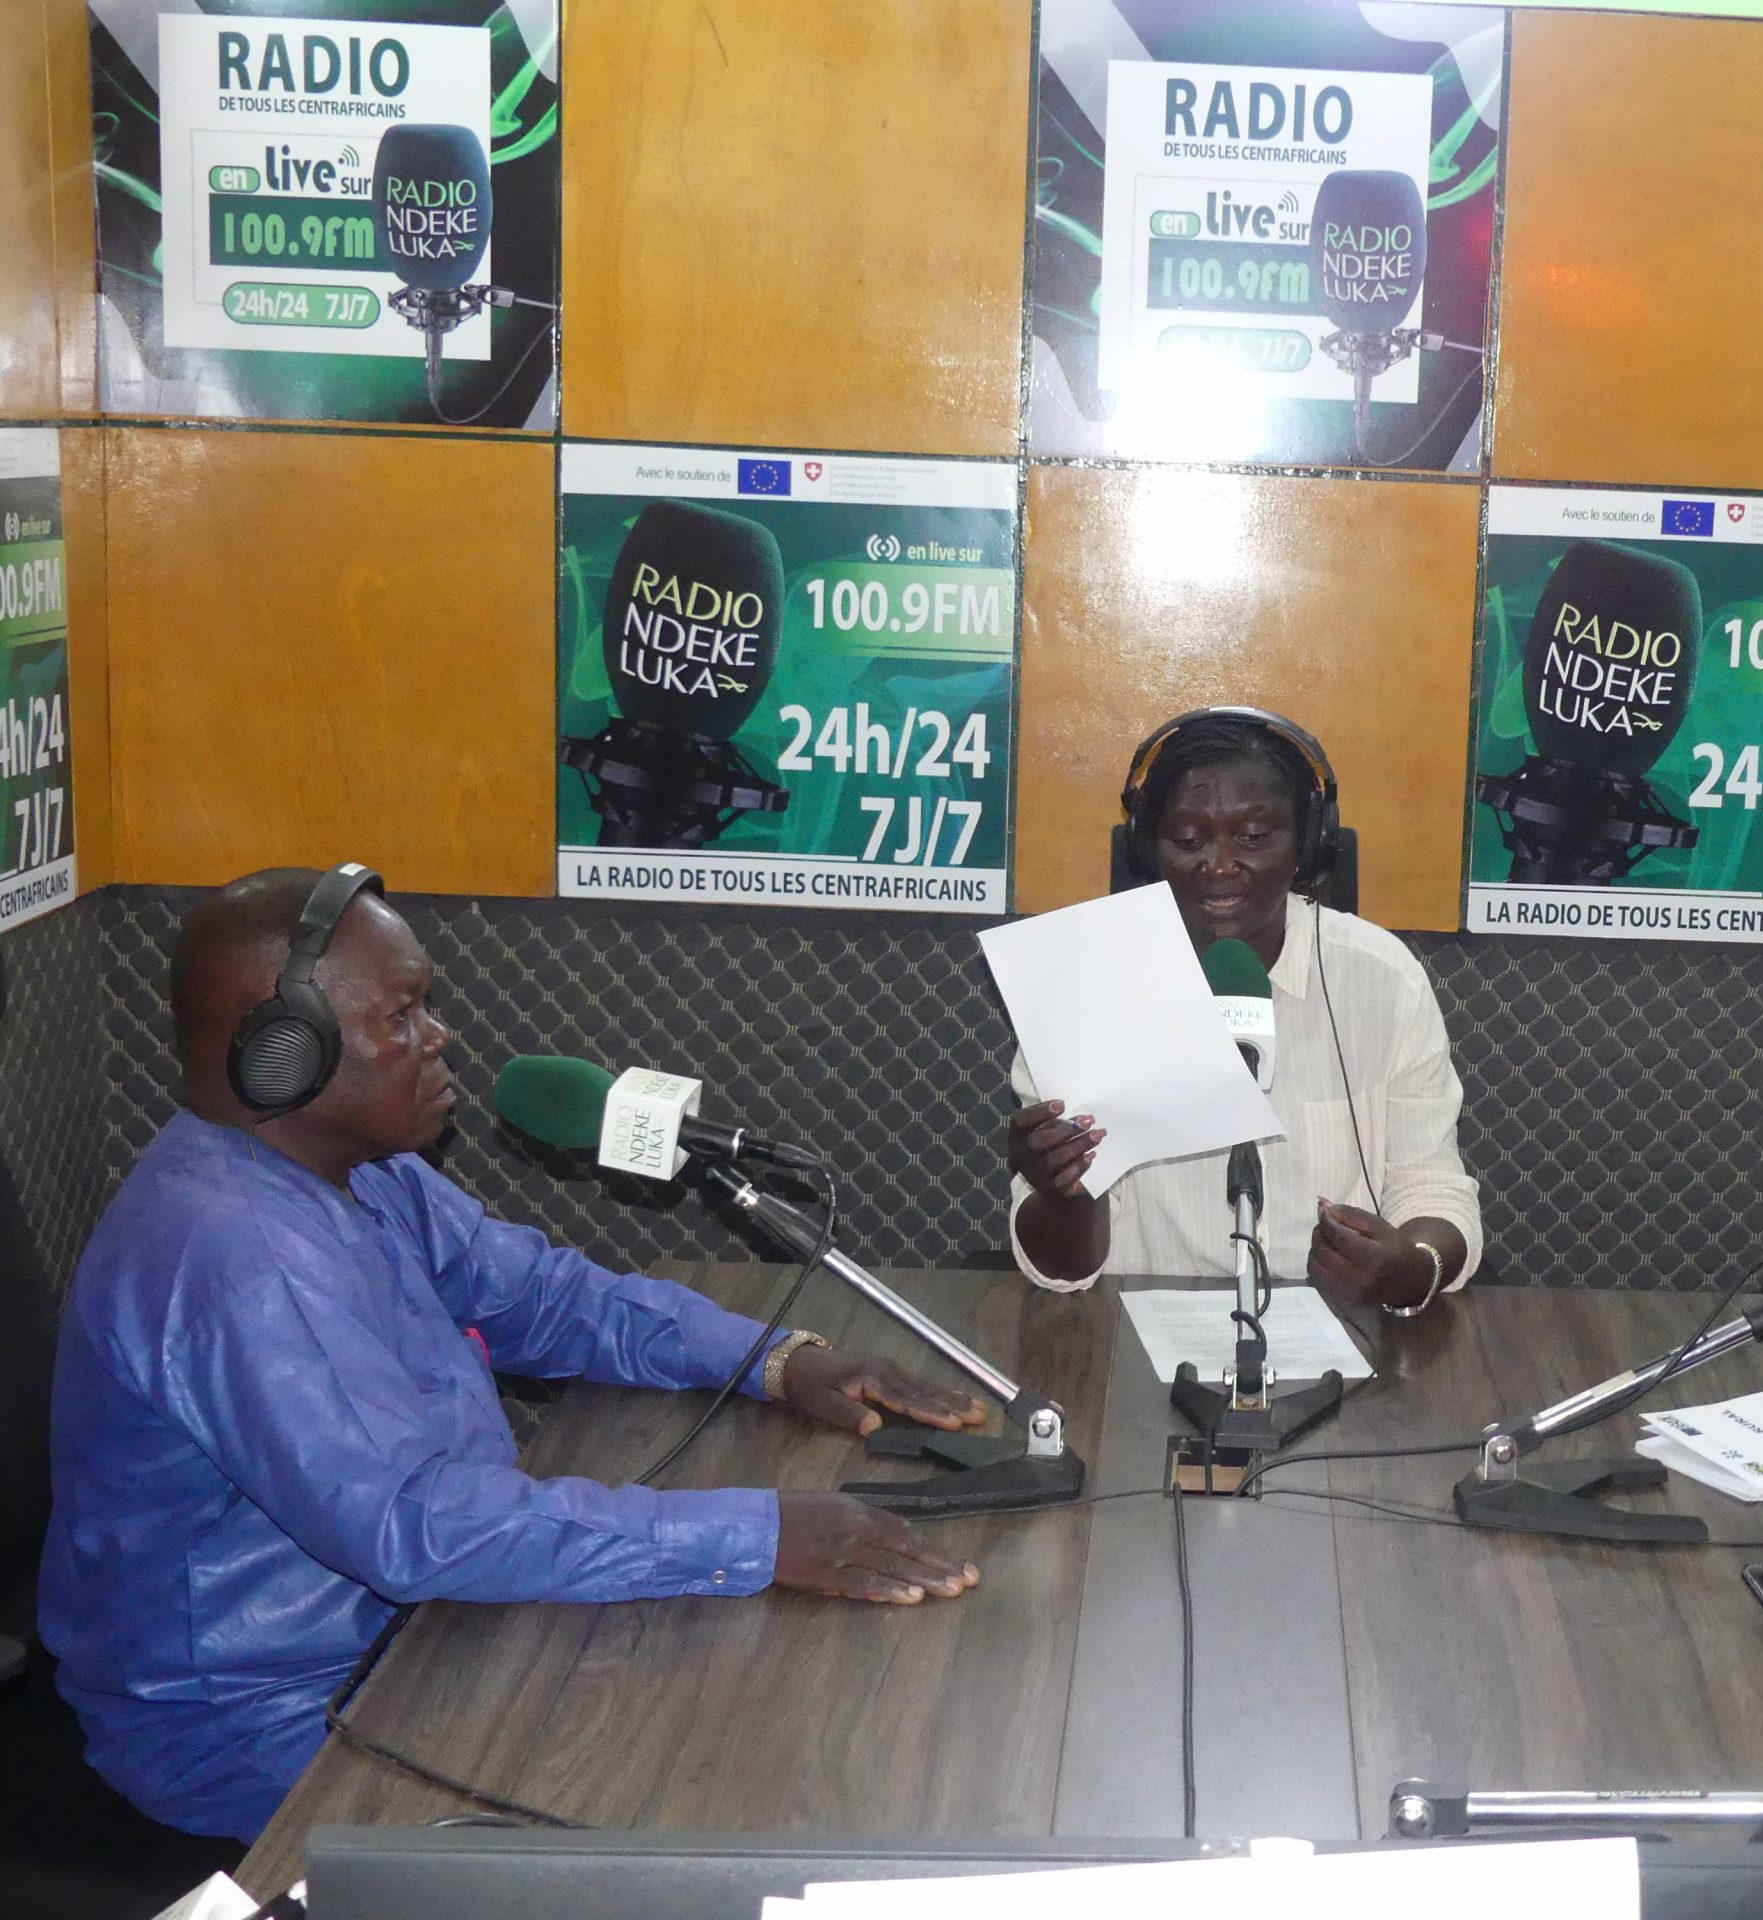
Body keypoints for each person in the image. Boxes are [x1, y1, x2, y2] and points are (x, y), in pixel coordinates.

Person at [41, 866, 988, 1843]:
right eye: (402, 1015)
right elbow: (411, 1524)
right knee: (691, 1819)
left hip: (422, 1636)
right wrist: (756, 1536)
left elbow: (542, 1298)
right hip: (267, 1723)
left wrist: (773, 1359)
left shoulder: (360, 1175)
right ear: (286, 1053)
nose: (439, 1038)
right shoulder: (232, 1256)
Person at [1006, 709, 1482, 1313]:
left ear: (1308, 843)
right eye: (1188, 841)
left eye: (1253, 837)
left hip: (1339, 1333)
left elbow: (1434, 1189)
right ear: (1148, 850)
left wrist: (1411, 1267)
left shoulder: (1382, 979)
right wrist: (1064, 1195)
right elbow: (1063, 1270)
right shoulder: (1084, 990)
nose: (1220, 864)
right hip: (1136, 1334)